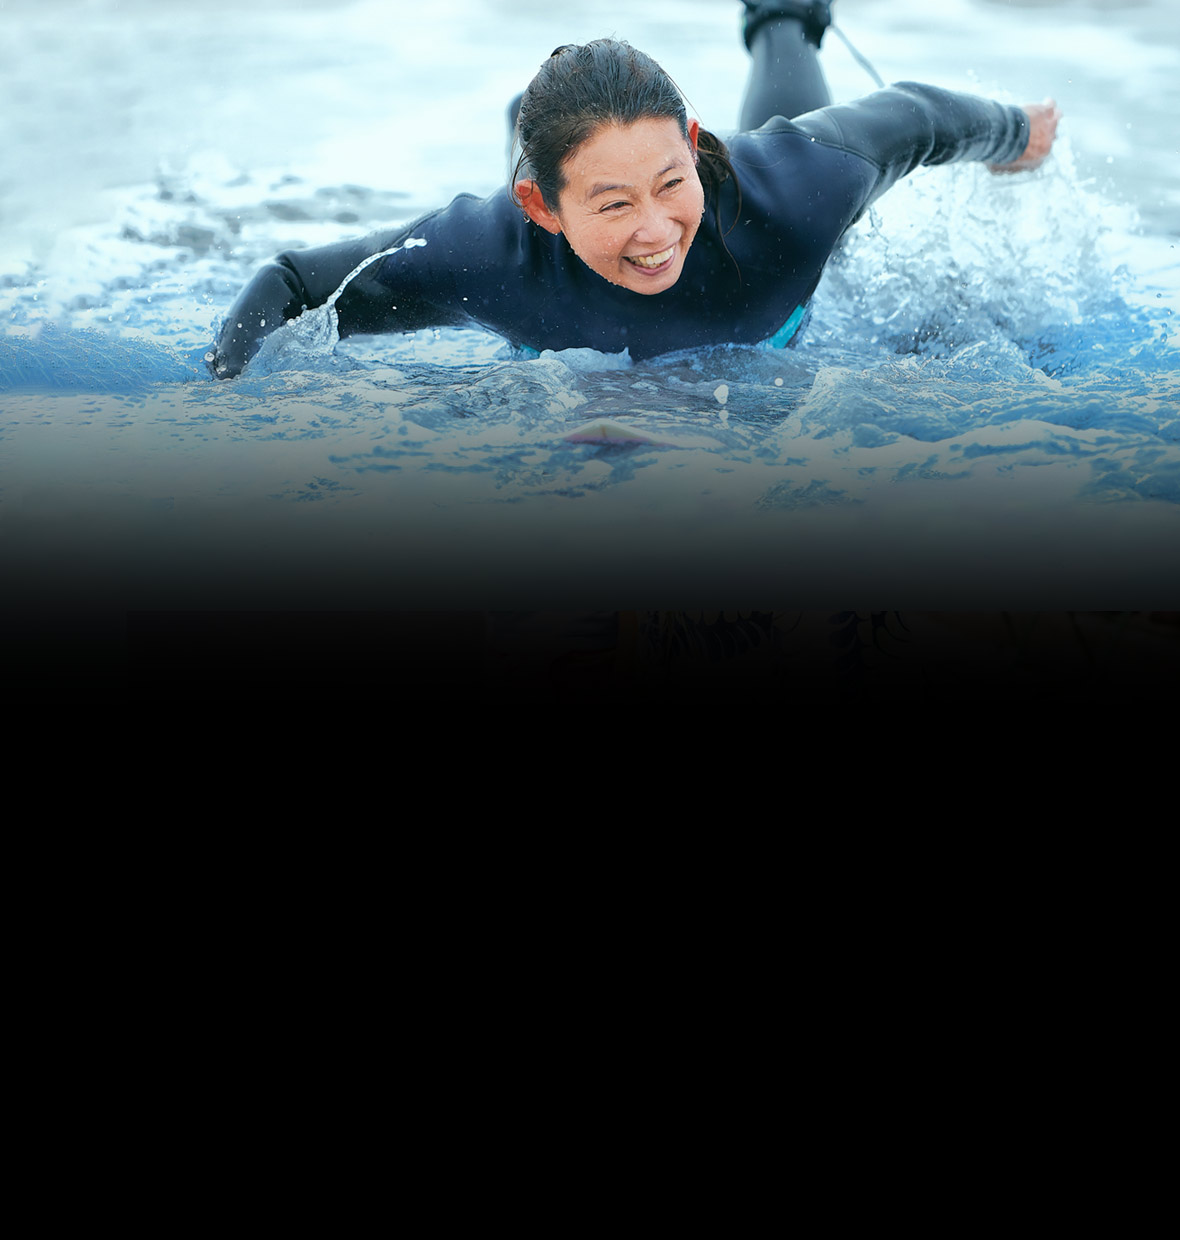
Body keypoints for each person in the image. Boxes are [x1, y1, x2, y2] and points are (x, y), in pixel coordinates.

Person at [206, 2, 1060, 379]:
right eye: (616, 204)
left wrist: (1018, 133)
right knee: (565, 152)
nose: (657, 231)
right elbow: (291, 284)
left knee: (785, 124)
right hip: (550, 184)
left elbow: (913, 116)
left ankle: (782, 8)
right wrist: (220, 399)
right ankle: (541, 134)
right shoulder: (484, 251)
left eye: (668, 182)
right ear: (539, 207)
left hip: (753, 186)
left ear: (693, 148)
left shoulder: (796, 192)